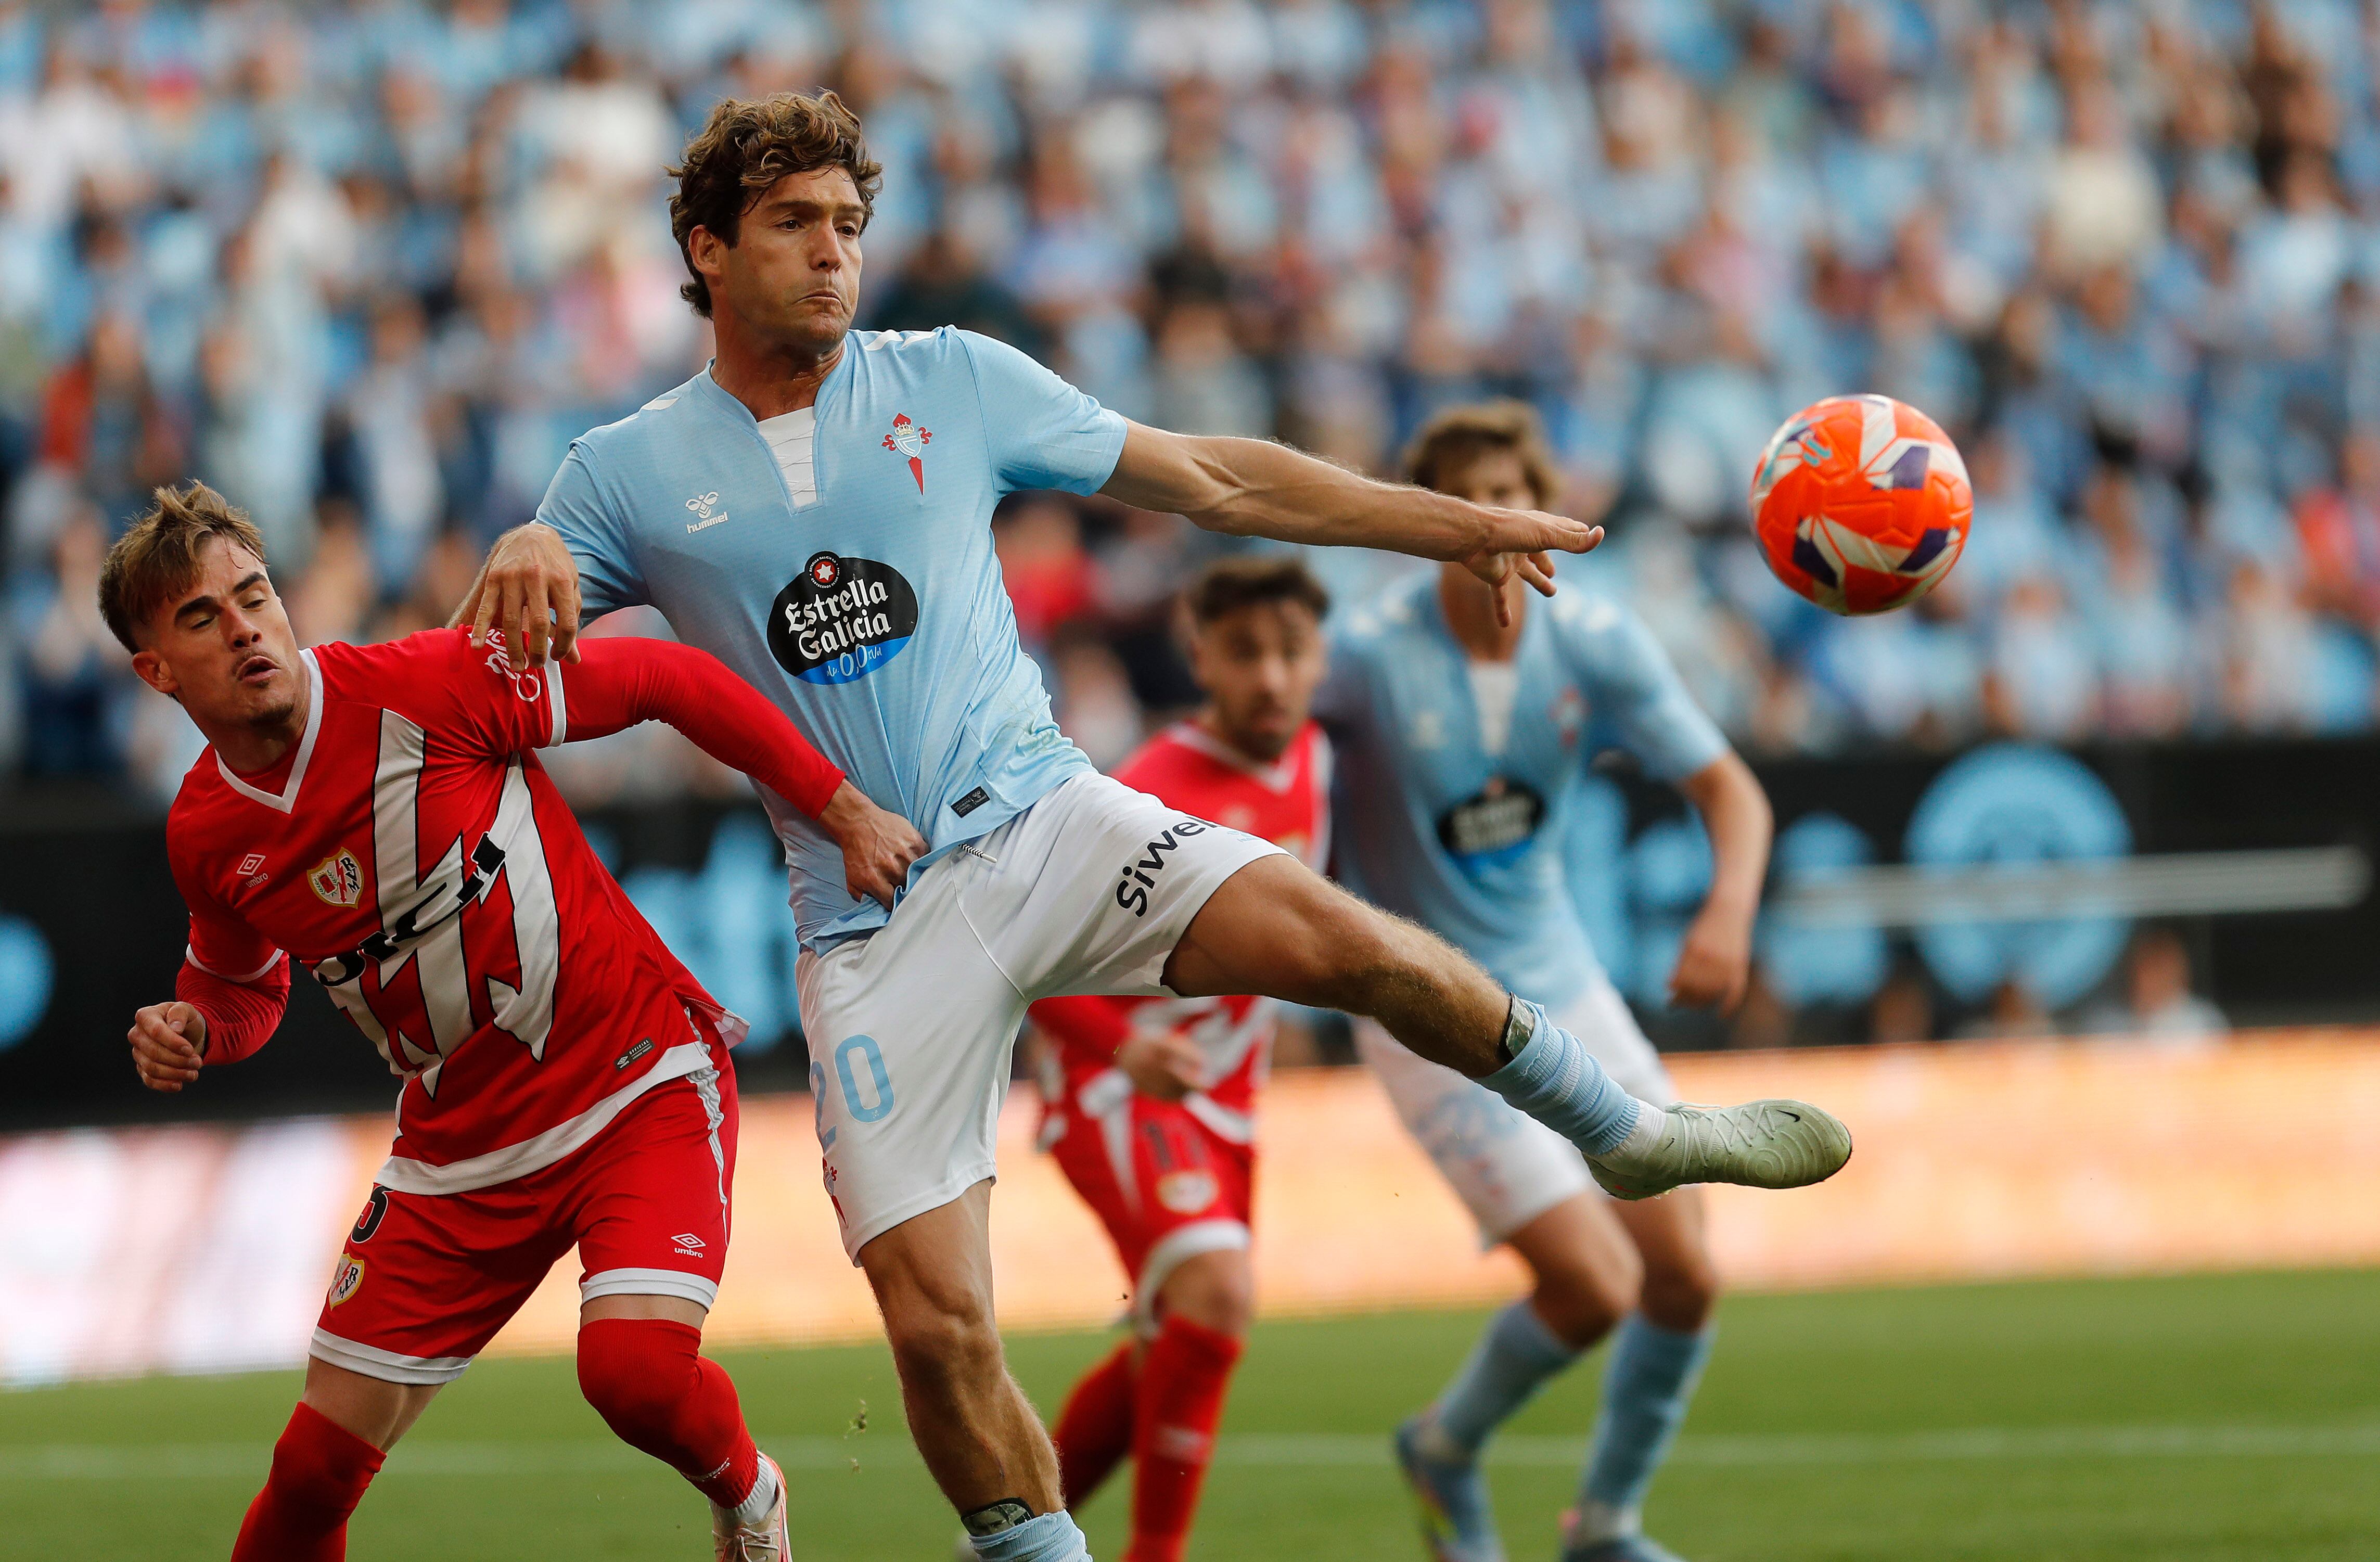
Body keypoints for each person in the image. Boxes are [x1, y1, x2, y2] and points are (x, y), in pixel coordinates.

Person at [455, 92, 1850, 1562]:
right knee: (939, 1335)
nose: (832, 256)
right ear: (706, 248)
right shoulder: (615, 474)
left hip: (1046, 818)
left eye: (849, 227)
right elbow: (474, 676)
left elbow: (1213, 475)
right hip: (867, 927)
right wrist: (522, 537)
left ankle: (1621, 1132)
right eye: (794, 225)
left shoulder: (950, 379)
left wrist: (1448, 523)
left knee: (1340, 939)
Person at [106, 480, 926, 1562]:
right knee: (309, 1473)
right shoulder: (206, 834)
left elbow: (665, 679)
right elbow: (243, 989)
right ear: (156, 670)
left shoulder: (427, 685)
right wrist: (197, 1028)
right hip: (457, 1152)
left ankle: (751, 1493)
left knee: (630, 1374)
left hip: (633, 1078)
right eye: (202, 617)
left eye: (253, 593)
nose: (246, 625)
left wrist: (843, 807)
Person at [1319, 402, 1772, 1562]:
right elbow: (1262, 764)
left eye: (1512, 494)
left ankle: (1605, 1524)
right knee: (1591, 1286)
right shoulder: (1363, 655)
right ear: (1430, 524)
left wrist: (1726, 910)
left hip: (1567, 988)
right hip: (1432, 1011)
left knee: (1683, 1278)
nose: (1495, 523)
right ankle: (1444, 1446)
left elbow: (1731, 791)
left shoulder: (1596, 639)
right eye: (1467, 503)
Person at [1030, 556, 1334, 1562]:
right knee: (1215, 1295)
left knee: (1178, 1333)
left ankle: (1008, 1539)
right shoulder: (1149, 796)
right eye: (1244, 652)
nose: (1271, 678)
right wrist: (1124, 1047)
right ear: (1197, 655)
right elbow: (1033, 961)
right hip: (1115, 1083)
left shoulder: (1317, 761)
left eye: (1290, 651)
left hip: (1224, 1096)